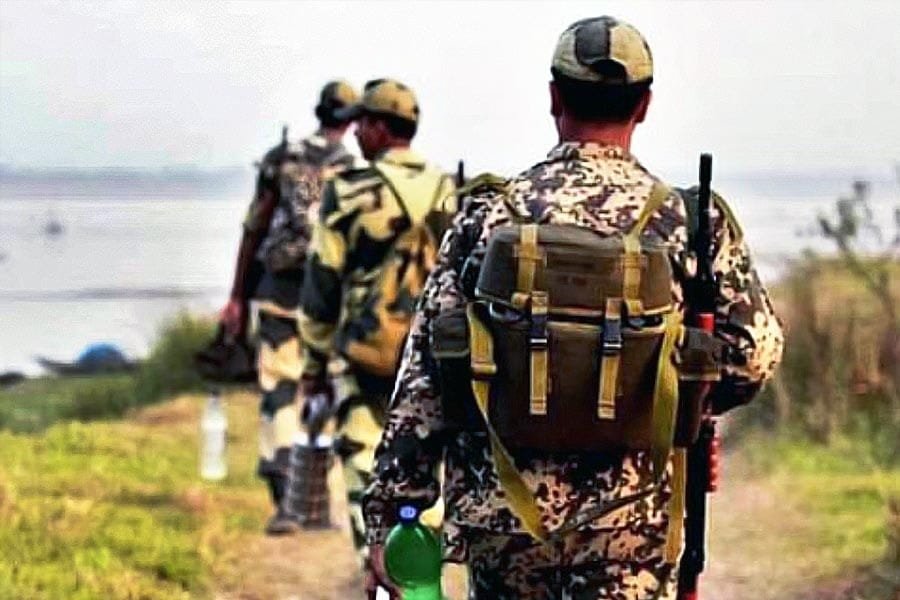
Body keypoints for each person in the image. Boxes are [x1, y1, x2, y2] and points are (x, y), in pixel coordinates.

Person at [363, 16, 784, 600]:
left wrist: (394, 512)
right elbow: (752, 356)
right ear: (645, 106)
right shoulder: (688, 221)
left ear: (554, 98)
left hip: (503, 520)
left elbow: (425, 378)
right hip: (633, 523)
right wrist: (676, 401)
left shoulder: (488, 213)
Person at [298, 78, 456, 561]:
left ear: (379, 128)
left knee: (365, 465)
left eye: (362, 123)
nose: (356, 133)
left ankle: (380, 568)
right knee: (427, 471)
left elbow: (323, 282)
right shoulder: (450, 189)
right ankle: (421, 565)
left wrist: (314, 364)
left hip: (366, 354)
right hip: (434, 357)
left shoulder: (348, 191)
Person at [220, 80, 359, 535]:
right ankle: (322, 502)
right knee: (327, 393)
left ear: (319, 112)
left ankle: (285, 499)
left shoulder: (282, 159)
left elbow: (254, 229)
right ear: (353, 122)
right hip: (331, 299)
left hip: (278, 292)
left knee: (279, 391)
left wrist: (237, 297)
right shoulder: (355, 170)